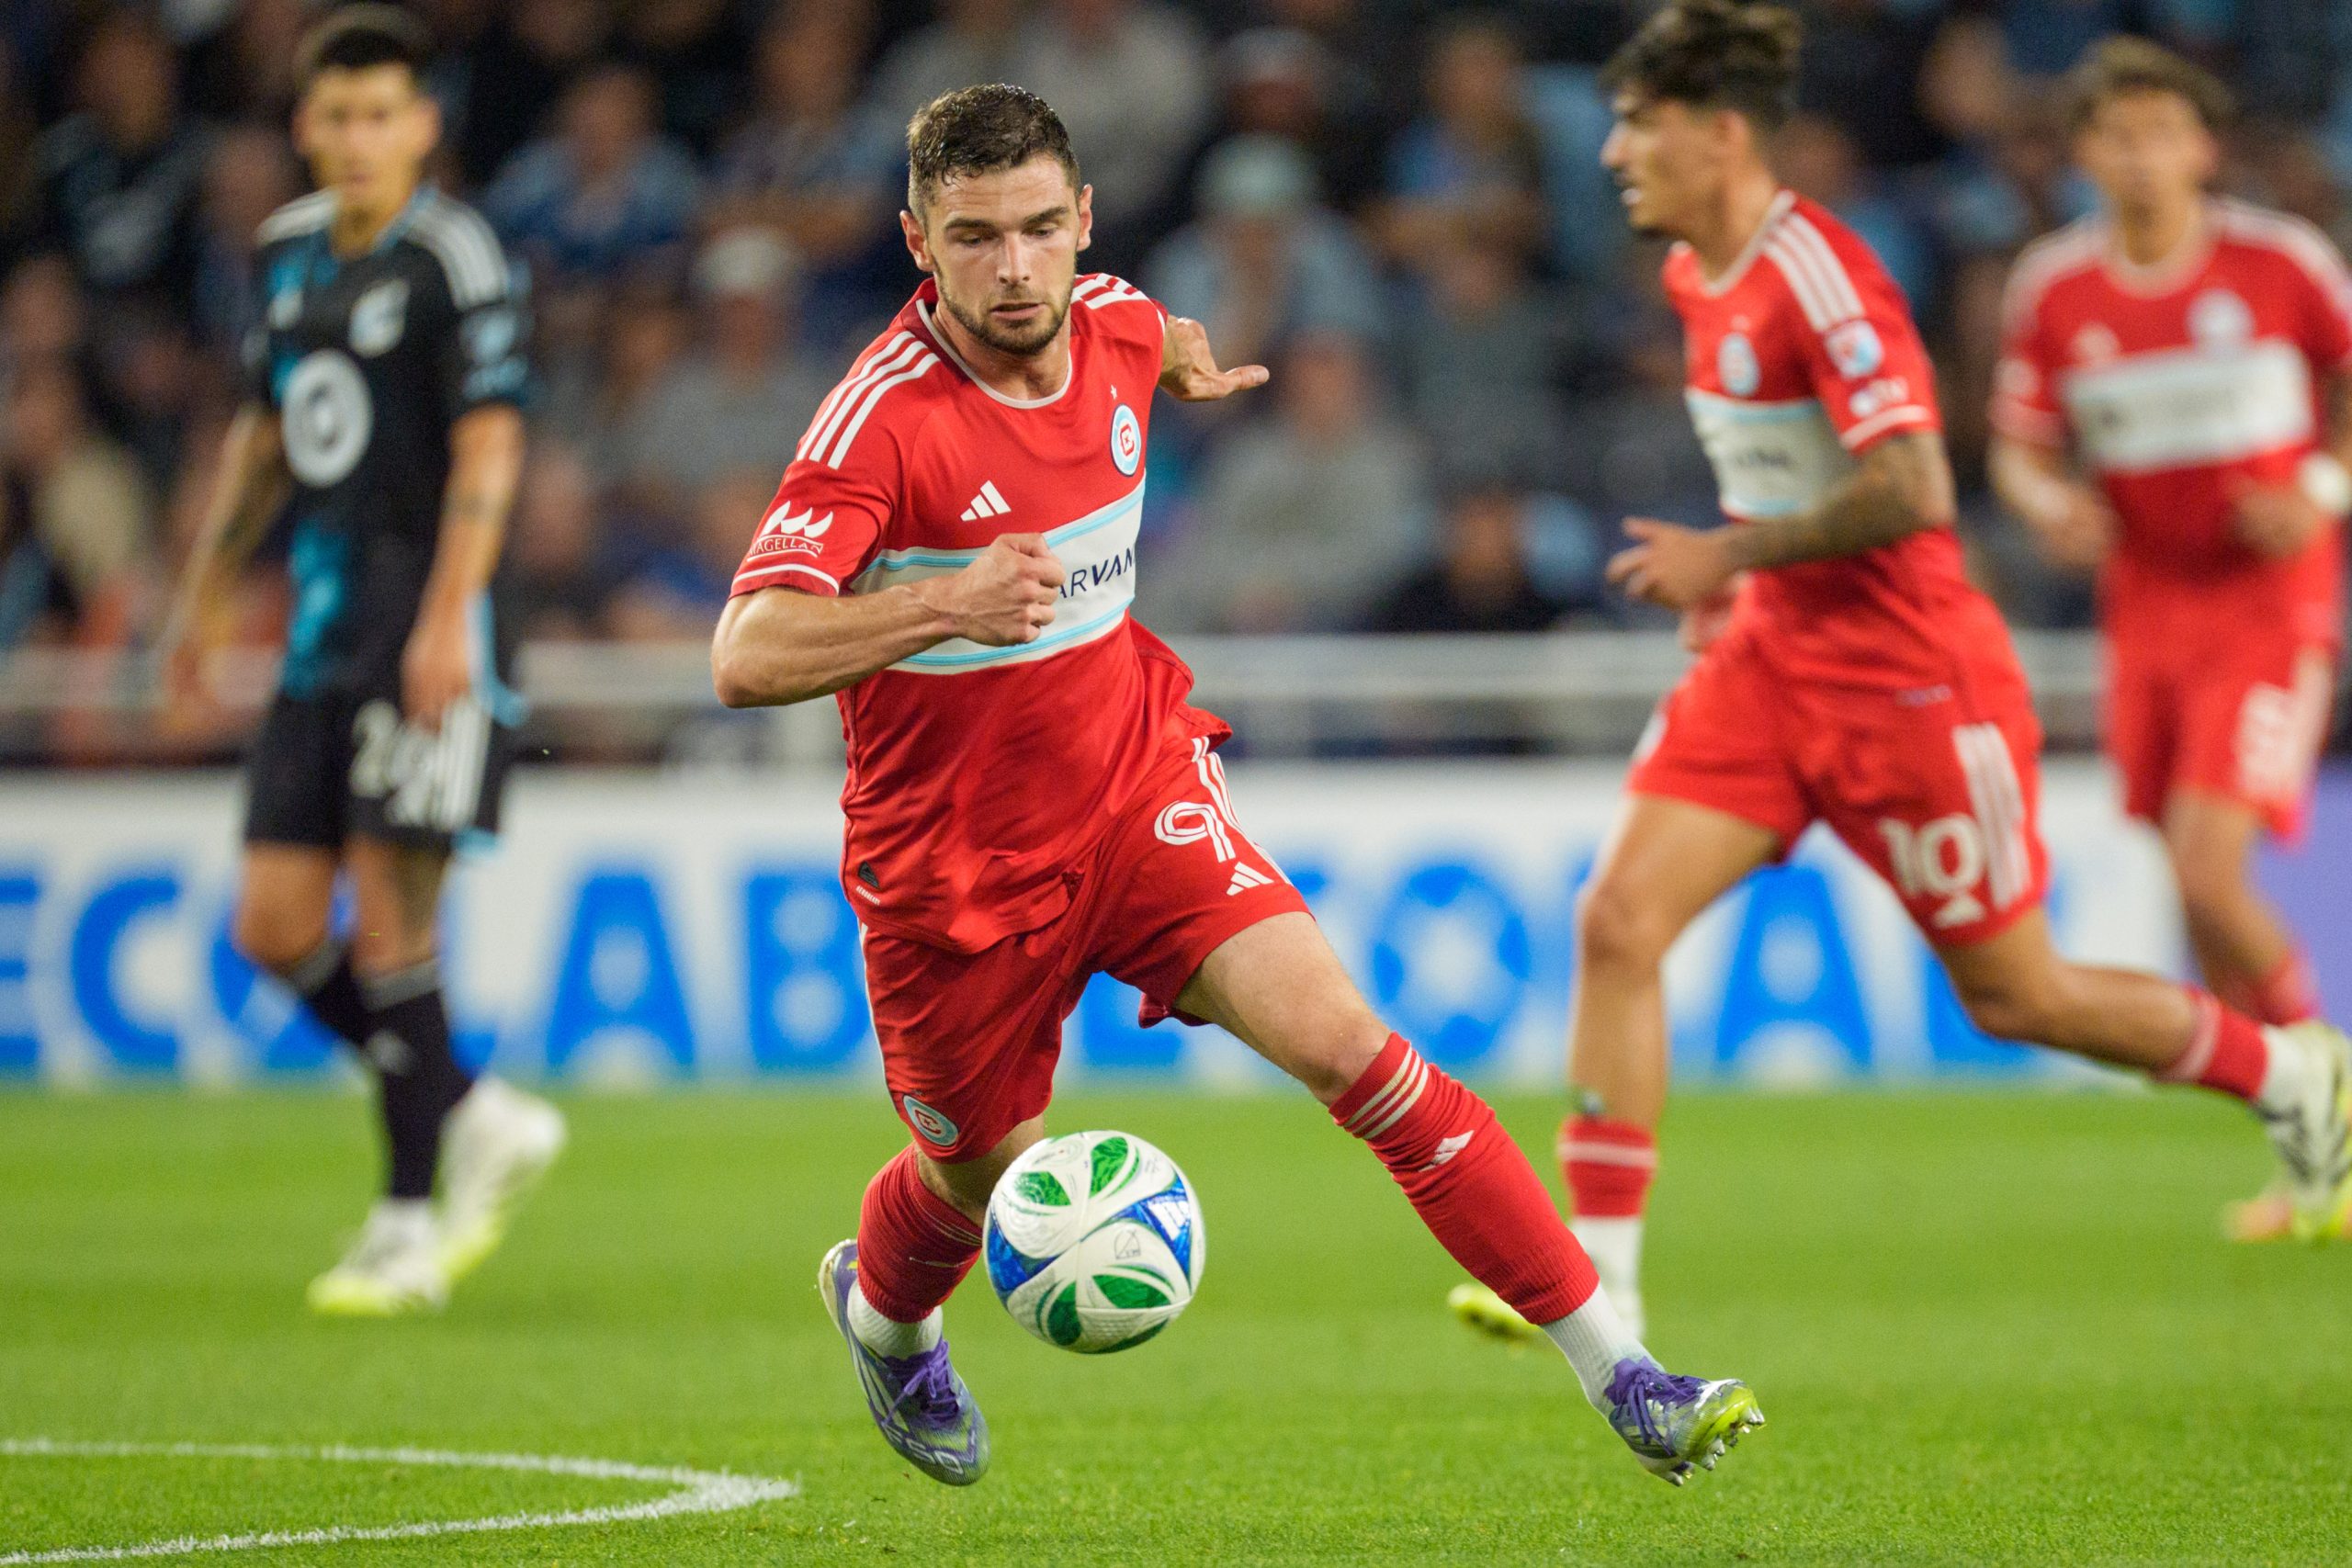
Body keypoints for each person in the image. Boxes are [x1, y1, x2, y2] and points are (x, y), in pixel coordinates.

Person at [709, 83, 1761, 1488]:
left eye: (1038, 230)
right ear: (917, 240)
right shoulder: (879, 430)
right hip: (955, 874)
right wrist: (937, 606)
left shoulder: (1122, 322)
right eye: (974, 239)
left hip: (1134, 792)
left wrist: (1186, 363)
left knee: (1357, 1054)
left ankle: (1625, 1375)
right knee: (974, 1180)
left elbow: (1151, 330)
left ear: (1083, 220)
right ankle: (887, 1317)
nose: (1013, 268)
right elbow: (745, 650)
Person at [1447, 1, 2352, 1348]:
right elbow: (1792, 467)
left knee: (2019, 993)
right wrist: (1745, 585)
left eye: (1637, 124)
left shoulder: (1819, 274)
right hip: (1770, 663)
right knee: (1618, 923)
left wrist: (1731, 552)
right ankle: (1599, 1287)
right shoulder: (1699, 275)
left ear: (1721, 133)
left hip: (1912, 683)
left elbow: (1916, 484)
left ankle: (2288, 1075)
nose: (1613, 152)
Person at [157, 6, 563, 1318]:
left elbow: (491, 447)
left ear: (425, 126)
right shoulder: (281, 255)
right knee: (273, 926)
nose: (356, 138)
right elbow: (267, 435)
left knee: (394, 921)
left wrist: (453, 616)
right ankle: (476, 1109)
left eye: (382, 113)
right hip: (320, 634)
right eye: (335, 115)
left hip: (428, 626)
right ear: (302, 126)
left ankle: (401, 1226)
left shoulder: (454, 255)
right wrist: (203, 593)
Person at [1988, 39, 2352, 1241]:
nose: (2140, 156)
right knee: (2188, 884)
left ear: (2203, 147)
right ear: (2085, 152)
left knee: (2208, 867)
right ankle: (2312, 1161)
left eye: (2162, 132)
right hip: (2145, 603)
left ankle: (2330, 1092)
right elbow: (2020, 449)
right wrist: (2051, 508)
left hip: (2270, 596)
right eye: (2116, 134)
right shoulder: (2055, 289)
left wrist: (2322, 487)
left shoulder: (2278, 263)